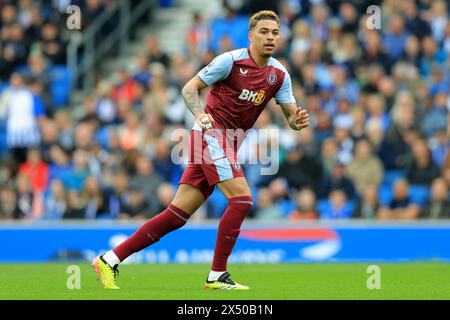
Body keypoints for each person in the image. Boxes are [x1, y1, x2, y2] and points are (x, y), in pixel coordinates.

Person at [92, 10, 310, 290]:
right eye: (264, 32)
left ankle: (109, 259)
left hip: (228, 144)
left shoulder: (279, 75)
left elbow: (291, 117)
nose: (270, 37)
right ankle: (217, 273)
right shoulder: (230, 61)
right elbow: (189, 88)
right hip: (209, 136)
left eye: (275, 33)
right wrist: (199, 114)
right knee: (242, 200)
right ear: (251, 36)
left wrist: (297, 121)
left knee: (176, 215)